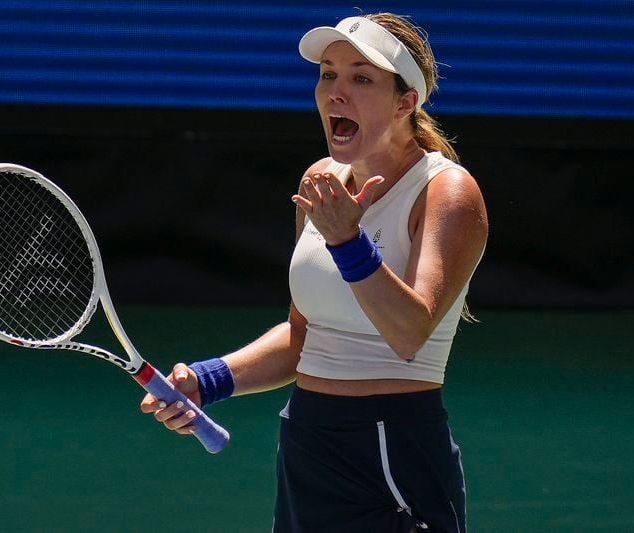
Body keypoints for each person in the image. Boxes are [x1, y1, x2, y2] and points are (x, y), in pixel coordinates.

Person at [140, 12, 488, 533]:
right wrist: (208, 380)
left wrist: (347, 241)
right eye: (328, 74)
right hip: (306, 441)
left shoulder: (447, 192)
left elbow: (410, 333)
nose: (335, 93)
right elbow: (303, 336)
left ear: (406, 102)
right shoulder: (321, 183)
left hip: (393, 446)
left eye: (361, 78)